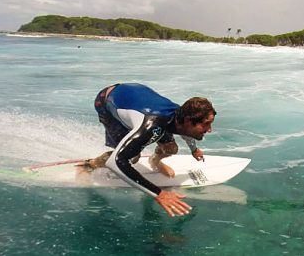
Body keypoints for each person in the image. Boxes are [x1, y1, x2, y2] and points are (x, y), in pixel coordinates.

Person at [81, 83, 216, 217]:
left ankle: (155, 161)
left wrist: (193, 149)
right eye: (206, 124)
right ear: (188, 120)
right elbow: (116, 162)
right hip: (107, 101)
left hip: (135, 96)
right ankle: (89, 165)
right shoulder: (152, 125)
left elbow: (188, 131)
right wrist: (159, 194)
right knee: (132, 157)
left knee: (171, 148)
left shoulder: (179, 115)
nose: (210, 130)